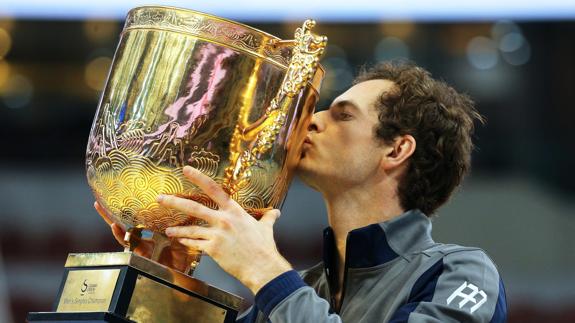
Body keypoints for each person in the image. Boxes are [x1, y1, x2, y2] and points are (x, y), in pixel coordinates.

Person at [97, 61, 507, 322]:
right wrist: (165, 280)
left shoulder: (460, 274)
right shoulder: (298, 291)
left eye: (343, 116)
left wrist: (266, 272)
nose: (310, 122)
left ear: (397, 149)